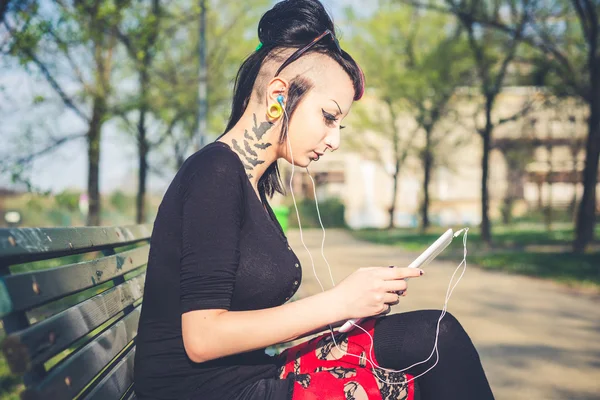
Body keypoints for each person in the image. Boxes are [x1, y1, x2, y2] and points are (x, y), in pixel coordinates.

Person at [133, 1, 495, 399]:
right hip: (209, 391)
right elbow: (201, 337)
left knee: (435, 337)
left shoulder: (248, 183)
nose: (335, 139)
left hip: (252, 374)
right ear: (279, 95)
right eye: (328, 116)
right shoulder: (215, 172)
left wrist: (350, 309)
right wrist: (338, 302)